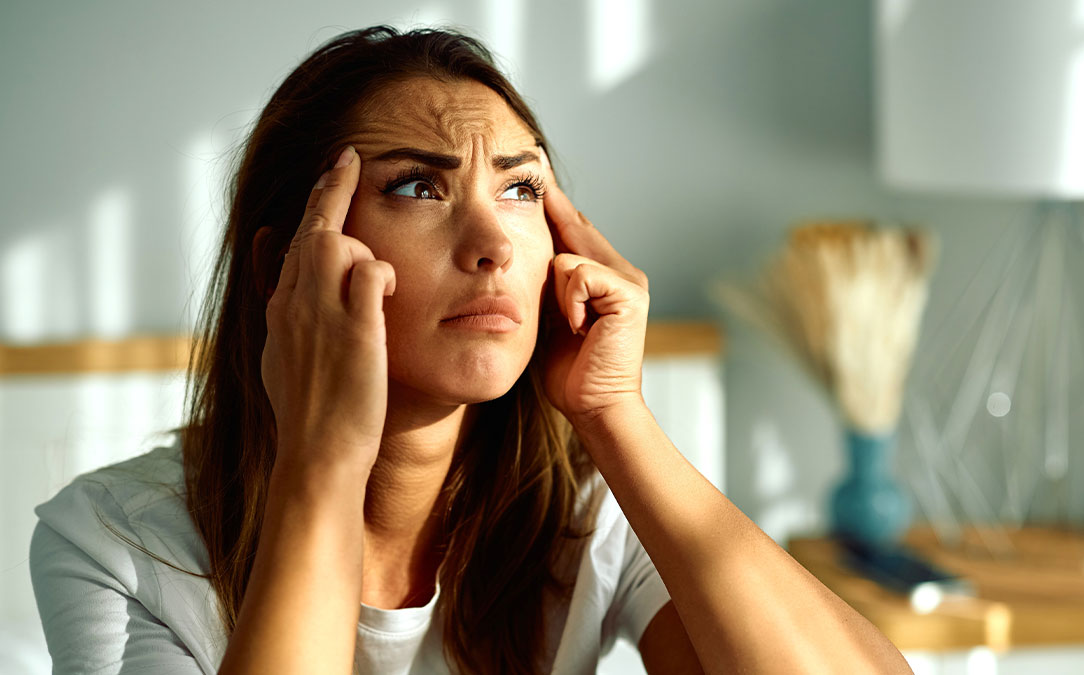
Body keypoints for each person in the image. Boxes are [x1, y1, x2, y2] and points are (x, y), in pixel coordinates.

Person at [29, 26, 911, 674]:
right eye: (418, 187)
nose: (492, 244)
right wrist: (324, 458)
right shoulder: (114, 544)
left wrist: (616, 414)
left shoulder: (587, 513)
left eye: (521, 189)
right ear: (282, 265)